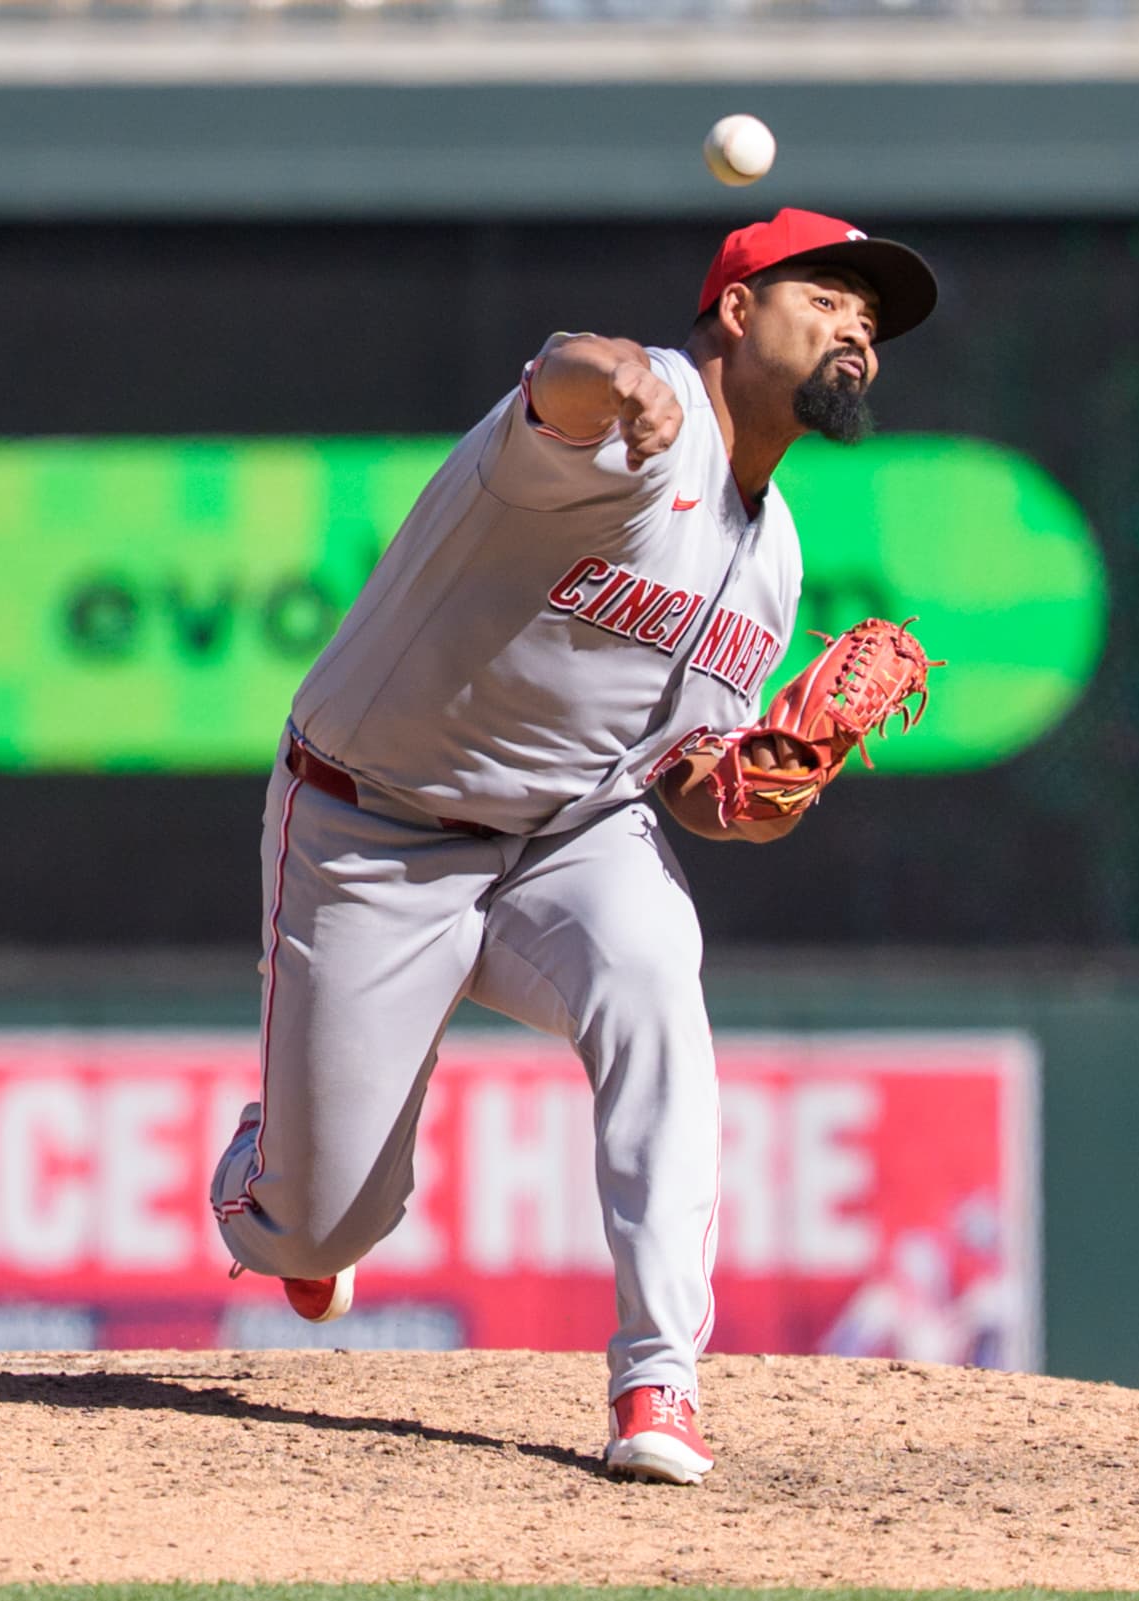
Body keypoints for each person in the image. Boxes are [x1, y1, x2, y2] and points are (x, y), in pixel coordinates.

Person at [210, 209, 938, 1484]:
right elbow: (562, 371)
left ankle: (660, 1377)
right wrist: (618, 383)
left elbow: (683, 781)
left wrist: (751, 794)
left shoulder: (772, 560)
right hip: (372, 827)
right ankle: (272, 1174)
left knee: (660, 975)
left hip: (568, 838)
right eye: (827, 300)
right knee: (318, 1224)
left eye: (871, 323)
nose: (857, 332)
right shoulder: (624, 414)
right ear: (732, 311)